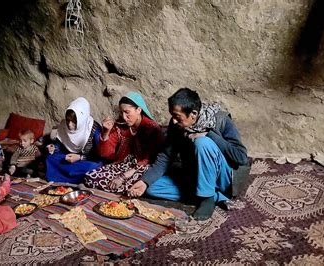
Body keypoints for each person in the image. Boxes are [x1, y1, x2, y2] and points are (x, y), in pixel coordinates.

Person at [128, 88, 250, 221]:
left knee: (203, 143)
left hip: (223, 177)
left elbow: (241, 157)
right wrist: (145, 182)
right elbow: (166, 157)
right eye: (172, 116)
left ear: (193, 114)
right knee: (153, 189)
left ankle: (207, 197)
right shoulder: (177, 125)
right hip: (197, 176)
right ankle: (213, 195)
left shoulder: (221, 120)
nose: (173, 121)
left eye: (177, 116)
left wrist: (208, 134)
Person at [84, 91, 163, 194]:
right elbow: (106, 154)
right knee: (90, 177)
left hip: (142, 167)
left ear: (139, 110)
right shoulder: (120, 126)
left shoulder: (151, 128)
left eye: (127, 112)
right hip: (122, 165)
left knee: (134, 184)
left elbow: (149, 159)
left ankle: (127, 190)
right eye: (121, 112)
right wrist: (106, 133)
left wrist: (122, 177)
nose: (124, 117)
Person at [46, 97, 102, 184]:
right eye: (68, 120)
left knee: (93, 168)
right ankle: (74, 179)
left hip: (85, 161)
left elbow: (100, 155)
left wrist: (80, 157)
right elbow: (59, 146)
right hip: (68, 158)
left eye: (74, 121)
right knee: (50, 158)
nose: (69, 124)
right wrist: (54, 148)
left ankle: (66, 177)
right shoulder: (63, 125)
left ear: (82, 119)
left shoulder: (93, 128)